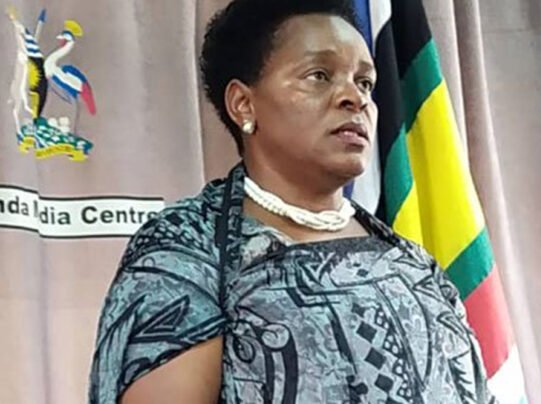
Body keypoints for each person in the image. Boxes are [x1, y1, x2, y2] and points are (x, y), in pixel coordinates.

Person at [88, 0, 496, 403]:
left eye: (365, 83)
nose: (354, 98)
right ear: (243, 104)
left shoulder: (412, 263)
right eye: (319, 75)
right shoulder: (188, 252)